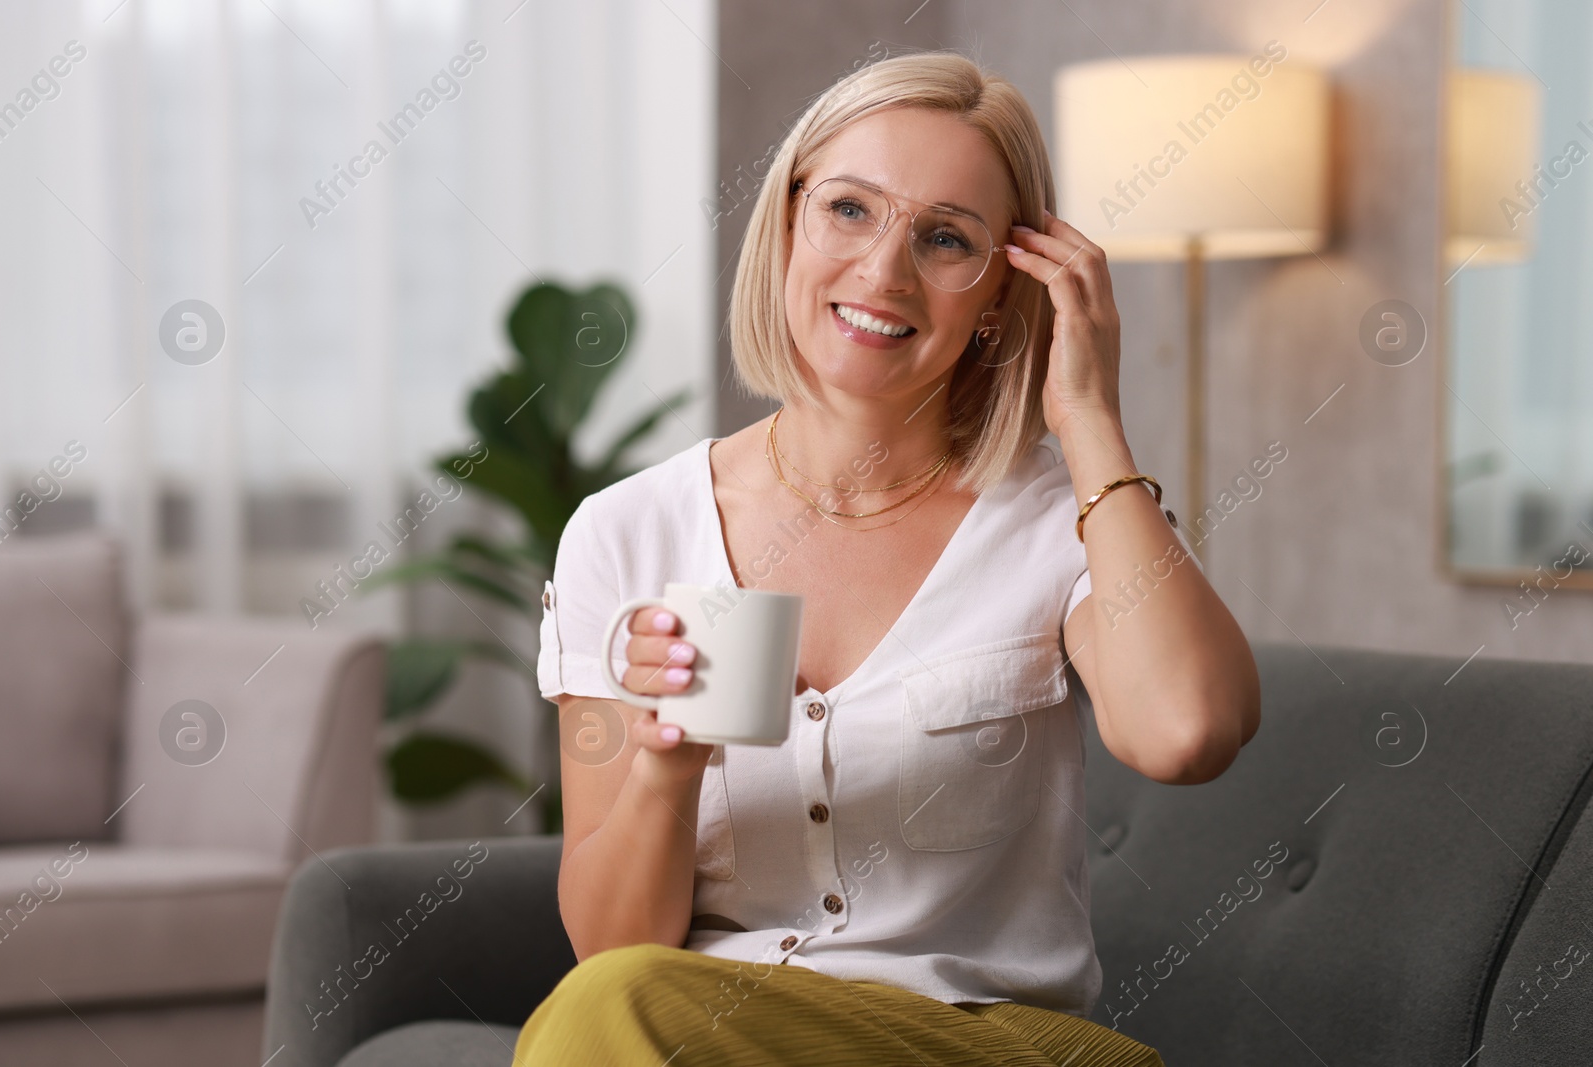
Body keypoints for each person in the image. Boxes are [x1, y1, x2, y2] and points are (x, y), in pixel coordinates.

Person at [514, 48, 1260, 1067]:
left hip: (998, 1045)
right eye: (849, 210)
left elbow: (1189, 731)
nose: (881, 271)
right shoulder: (626, 529)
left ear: (1002, 292)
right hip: (725, 1035)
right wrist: (666, 767)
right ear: (785, 225)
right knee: (616, 997)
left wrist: (1086, 417)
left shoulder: (1056, 518)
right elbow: (611, 948)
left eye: (946, 237)